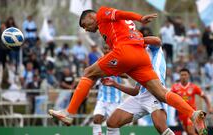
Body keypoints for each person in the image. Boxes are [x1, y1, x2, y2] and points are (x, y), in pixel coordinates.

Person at [48, 7, 206, 134]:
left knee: (89, 72)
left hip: (126, 51)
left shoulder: (102, 13)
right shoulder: (112, 29)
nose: (87, 29)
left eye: (85, 25)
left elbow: (120, 14)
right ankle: (193, 113)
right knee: (161, 92)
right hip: (140, 58)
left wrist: (140, 18)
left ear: (90, 17)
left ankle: (69, 113)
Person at [102, 43, 175, 135]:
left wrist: (134, 40)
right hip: (141, 96)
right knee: (112, 122)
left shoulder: (153, 50)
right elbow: (136, 91)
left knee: (161, 127)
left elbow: (157, 40)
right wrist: (115, 84)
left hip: (155, 93)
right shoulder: (139, 66)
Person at [171, 68, 213, 135]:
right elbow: (170, 98)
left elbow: (204, 97)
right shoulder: (175, 87)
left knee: (191, 132)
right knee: (189, 132)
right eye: (182, 75)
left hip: (191, 113)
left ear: (188, 76)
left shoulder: (193, 87)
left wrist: (210, 107)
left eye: (185, 75)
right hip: (181, 114)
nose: (183, 76)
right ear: (179, 76)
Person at [93, 45, 123, 135]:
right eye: (105, 48)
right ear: (102, 49)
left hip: (115, 99)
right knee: (96, 119)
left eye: (109, 49)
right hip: (102, 98)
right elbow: (93, 74)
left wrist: (110, 70)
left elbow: (125, 75)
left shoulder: (118, 61)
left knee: (113, 124)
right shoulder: (99, 61)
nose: (106, 50)